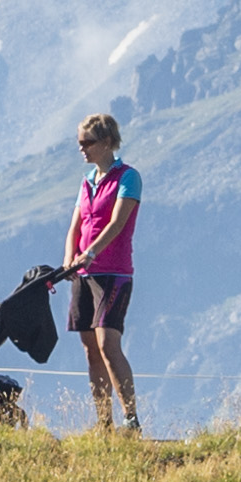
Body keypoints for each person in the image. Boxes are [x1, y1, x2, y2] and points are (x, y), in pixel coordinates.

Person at [64, 110, 142, 434]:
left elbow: (118, 222)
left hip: (113, 272)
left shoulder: (128, 177)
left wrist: (91, 252)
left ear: (107, 142)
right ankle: (103, 422)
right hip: (84, 274)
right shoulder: (87, 182)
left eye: (88, 142)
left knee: (109, 343)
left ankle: (131, 418)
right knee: (90, 349)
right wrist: (71, 258)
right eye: (80, 143)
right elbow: (76, 224)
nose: (82, 148)